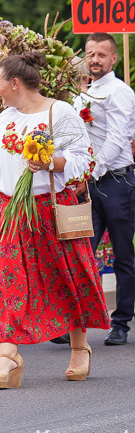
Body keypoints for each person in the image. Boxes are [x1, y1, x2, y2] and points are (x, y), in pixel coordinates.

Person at [0, 52, 110, 388]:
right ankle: (8, 357)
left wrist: (49, 162)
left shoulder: (60, 112)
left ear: (14, 83)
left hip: (51, 209)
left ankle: (80, 348)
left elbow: (84, 161)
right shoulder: (4, 119)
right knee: (6, 280)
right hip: (12, 211)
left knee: (68, 277)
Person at [72, 32, 135, 347]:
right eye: (90, 53)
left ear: (114, 59)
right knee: (81, 252)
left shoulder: (119, 92)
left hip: (116, 182)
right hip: (86, 186)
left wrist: (92, 172)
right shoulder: (83, 92)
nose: (94, 59)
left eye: (101, 54)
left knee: (123, 254)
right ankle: (75, 321)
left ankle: (121, 321)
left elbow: (118, 137)